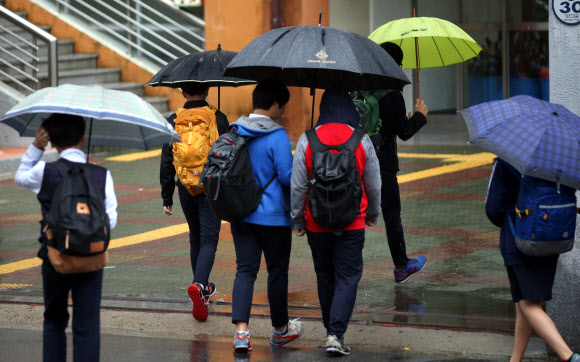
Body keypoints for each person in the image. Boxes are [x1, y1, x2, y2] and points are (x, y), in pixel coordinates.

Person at [14, 113, 118, 362]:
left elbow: (19, 176)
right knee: (87, 324)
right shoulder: (101, 175)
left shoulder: (44, 171)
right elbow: (110, 220)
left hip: (55, 256)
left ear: (50, 141)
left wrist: (35, 147)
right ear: (83, 137)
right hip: (92, 257)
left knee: (54, 320)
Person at [291, 89, 382, 356]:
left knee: (324, 275)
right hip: (352, 222)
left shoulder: (307, 140)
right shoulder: (361, 139)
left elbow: (297, 186)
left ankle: (330, 329)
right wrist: (373, 214)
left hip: (316, 222)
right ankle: (335, 334)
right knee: (347, 276)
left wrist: (297, 219)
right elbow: (374, 184)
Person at [229, 79, 303, 351]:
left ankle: (241, 333)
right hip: (273, 218)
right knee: (277, 273)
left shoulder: (236, 129)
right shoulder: (277, 135)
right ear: (273, 105)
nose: (282, 112)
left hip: (241, 214)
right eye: (281, 106)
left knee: (245, 272)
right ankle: (280, 329)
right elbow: (286, 176)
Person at [486, 158, 579, 362]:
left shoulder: (508, 159)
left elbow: (493, 208)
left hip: (519, 237)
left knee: (528, 304)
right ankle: (515, 359)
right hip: (553, 235)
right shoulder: (561, 159)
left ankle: (569, 357)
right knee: (526, 301)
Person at [159, 83, 229, 321]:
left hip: (184, 186)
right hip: (211, 186)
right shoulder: (217, 117)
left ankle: (201, 288)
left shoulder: (174, 119)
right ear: (208, 90)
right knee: (210, 238)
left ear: (183, 93)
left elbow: (167, 158)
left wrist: (166, 195)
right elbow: (227, 155)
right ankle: (199, 286)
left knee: (195, 236)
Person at [377, 42, 429, 283]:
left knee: (352, 215)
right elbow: (405, 132)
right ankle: (401, 266)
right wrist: (419, 115)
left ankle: (341, 268)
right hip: (383, 165)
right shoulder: (391, 93)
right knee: (391, 216)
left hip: (356, 161)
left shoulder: (360, 89)